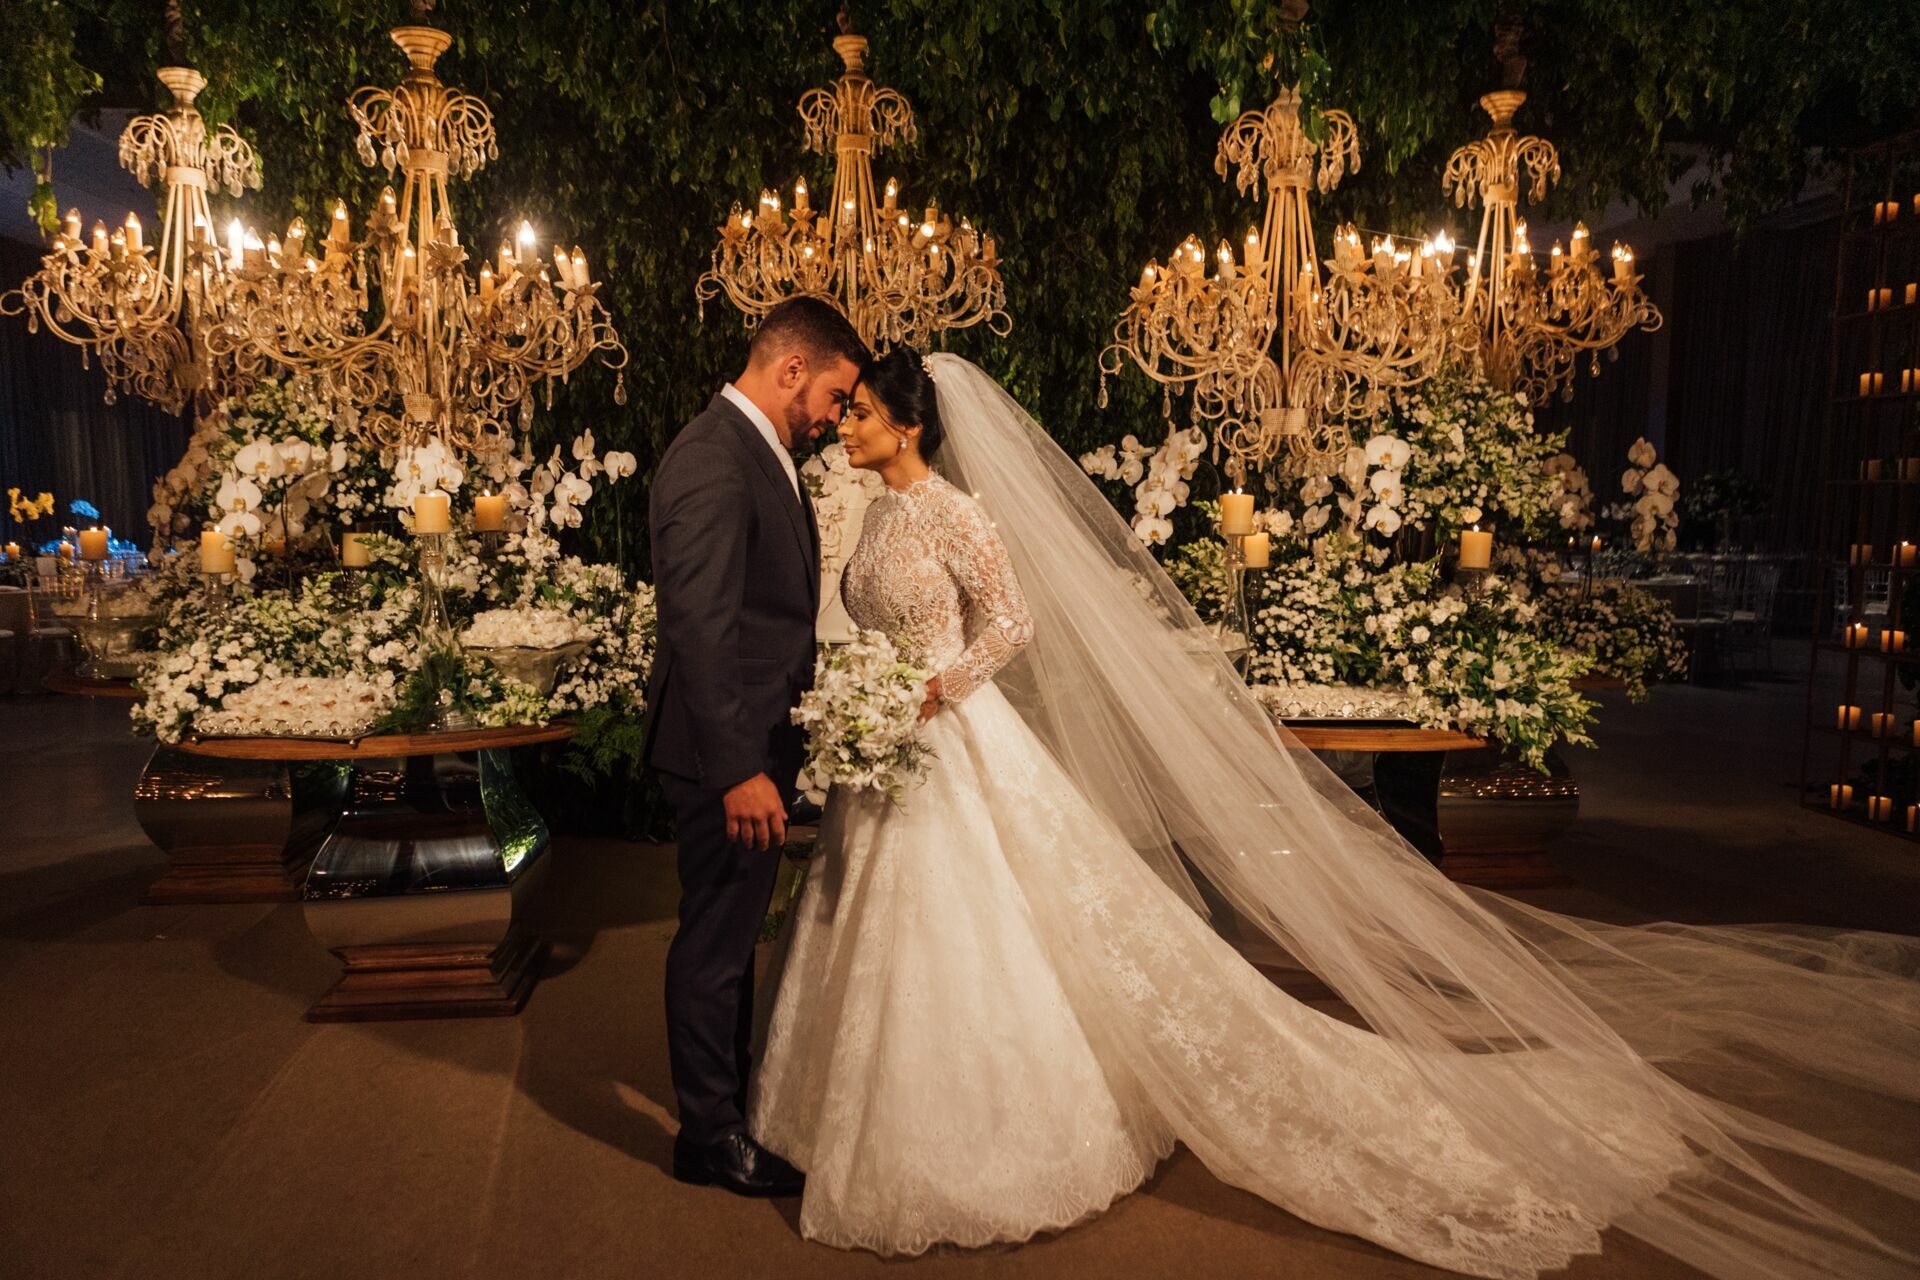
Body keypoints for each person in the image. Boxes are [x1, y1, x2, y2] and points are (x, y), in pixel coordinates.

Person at [748, 348, 1920, 1277]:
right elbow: (879, 624)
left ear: (905, 424)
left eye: (855, 415)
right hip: (888, 754)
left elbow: (1010, 628)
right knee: (878, 927)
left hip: (949, 737)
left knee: (984, 930)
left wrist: (931, 687)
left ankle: (991, 1141)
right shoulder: (875, 517)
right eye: (842, 415)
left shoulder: (956, 514)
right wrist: (866, 696)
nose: (840, 427)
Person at [642, 297, 867, 1197]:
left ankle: (729, 1108)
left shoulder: (754, 451)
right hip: (717, 754)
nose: (837, 416)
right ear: (790, 370)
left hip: (745, 739)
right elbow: (698, 626)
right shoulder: (711, 457)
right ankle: (708, 1136)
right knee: (714, 944)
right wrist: (739, 768)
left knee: (732, 938)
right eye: (837, 394)